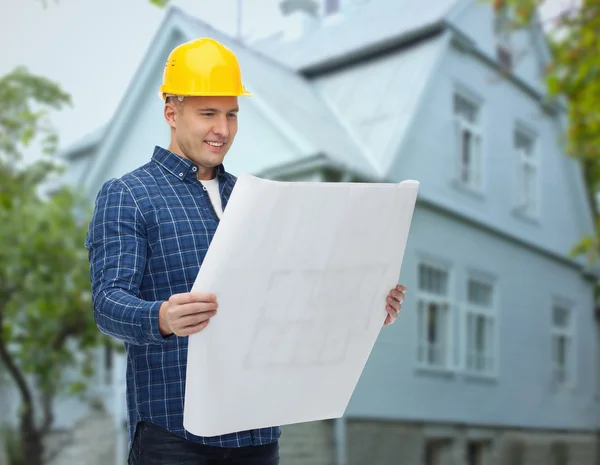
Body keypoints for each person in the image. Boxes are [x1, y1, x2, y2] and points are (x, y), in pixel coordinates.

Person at [85, 37, 407, 465]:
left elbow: (295, 295)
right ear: (171, 112)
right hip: (174, 433)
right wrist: (160, 317)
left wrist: (365, 306)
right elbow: (108, 303)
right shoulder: (128, 195)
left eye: (231, 114)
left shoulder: (255, 199)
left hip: (256, 431)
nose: (222, 129)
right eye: (208, 114)